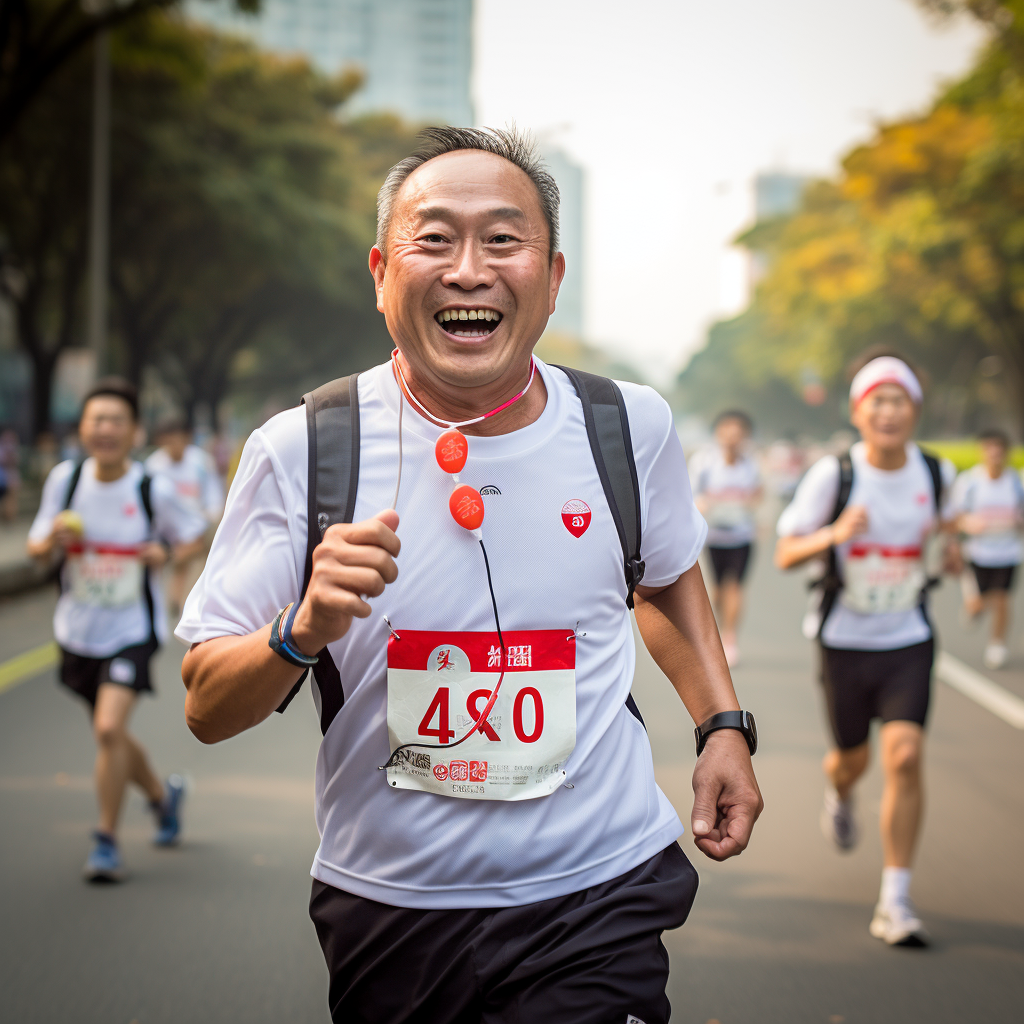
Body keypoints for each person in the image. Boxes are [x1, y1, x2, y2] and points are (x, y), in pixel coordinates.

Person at [177, 126, 763, 1024]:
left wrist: (721, 725)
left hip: (597, 892)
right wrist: (300, 630)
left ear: (552, 278)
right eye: (435, 238)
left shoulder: (625, 426)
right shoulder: (304, 450)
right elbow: (207, 709)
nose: (469, 269)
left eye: (502, 239)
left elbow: (666, 580)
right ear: (380, 274)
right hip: (394, 909)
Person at [774, 353, 956, 947]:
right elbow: (785, 553)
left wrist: (951, 555)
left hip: (908, 637)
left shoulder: (935, 473)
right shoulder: (835, 476)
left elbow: (946, 533)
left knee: (904, 756)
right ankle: (842, 788)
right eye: (876, 400)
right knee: (850, 758)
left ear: (914, 411)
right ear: (858, 411)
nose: (888, 411)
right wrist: (834, 533)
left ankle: (895, 902)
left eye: (898, 400)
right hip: (844, 642)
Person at [27, 378, 206, 882]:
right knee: (114, 737)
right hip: (77, 630)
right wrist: (52, 542)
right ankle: (161, 796)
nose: (104, 429)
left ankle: (105, 841)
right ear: (82, 429)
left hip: (132, 627)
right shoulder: (65, 481)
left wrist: (166, 554)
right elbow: (37, 546)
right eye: (95, 420)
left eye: (115, 421)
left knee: (108, 729)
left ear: (134, 432)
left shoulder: (152, 489)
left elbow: (193, 535)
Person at [689, 410, 762, 667]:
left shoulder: (752, 464)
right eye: (727, 429)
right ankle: (719, 633)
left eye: (738, 431)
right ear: (718, 433)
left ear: (746, 435)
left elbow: (759, 495)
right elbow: (691, 494)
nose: (732, 436)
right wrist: (704, 505)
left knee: (735, 587)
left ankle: (730, 640)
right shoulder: (704, 463)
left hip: (742, 536)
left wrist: (751, 507)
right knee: (718, 590)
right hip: (712, 537)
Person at [950, 429, 1023, 669]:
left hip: (1008, 552)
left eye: (999, 450)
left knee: (1003, 596)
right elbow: (956, 518)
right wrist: (970, 525)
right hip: (978, 552)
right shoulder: (969, 483)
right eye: (989, 449)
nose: (995, 455)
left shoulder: (1016, 482)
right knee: (981, 601)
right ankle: (974, 607)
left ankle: (997, 644)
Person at [145, 417, 225, 614]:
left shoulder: (200, 462)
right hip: (166, 529)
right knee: (181, 556)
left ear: (186, 439)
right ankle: (177, 599)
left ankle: (184, 599)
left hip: (198, 524)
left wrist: (210, 516)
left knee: (191, 553)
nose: (173, 446)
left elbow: (213, 494)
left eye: (177, 440)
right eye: (168, 441)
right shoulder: (154, 466)